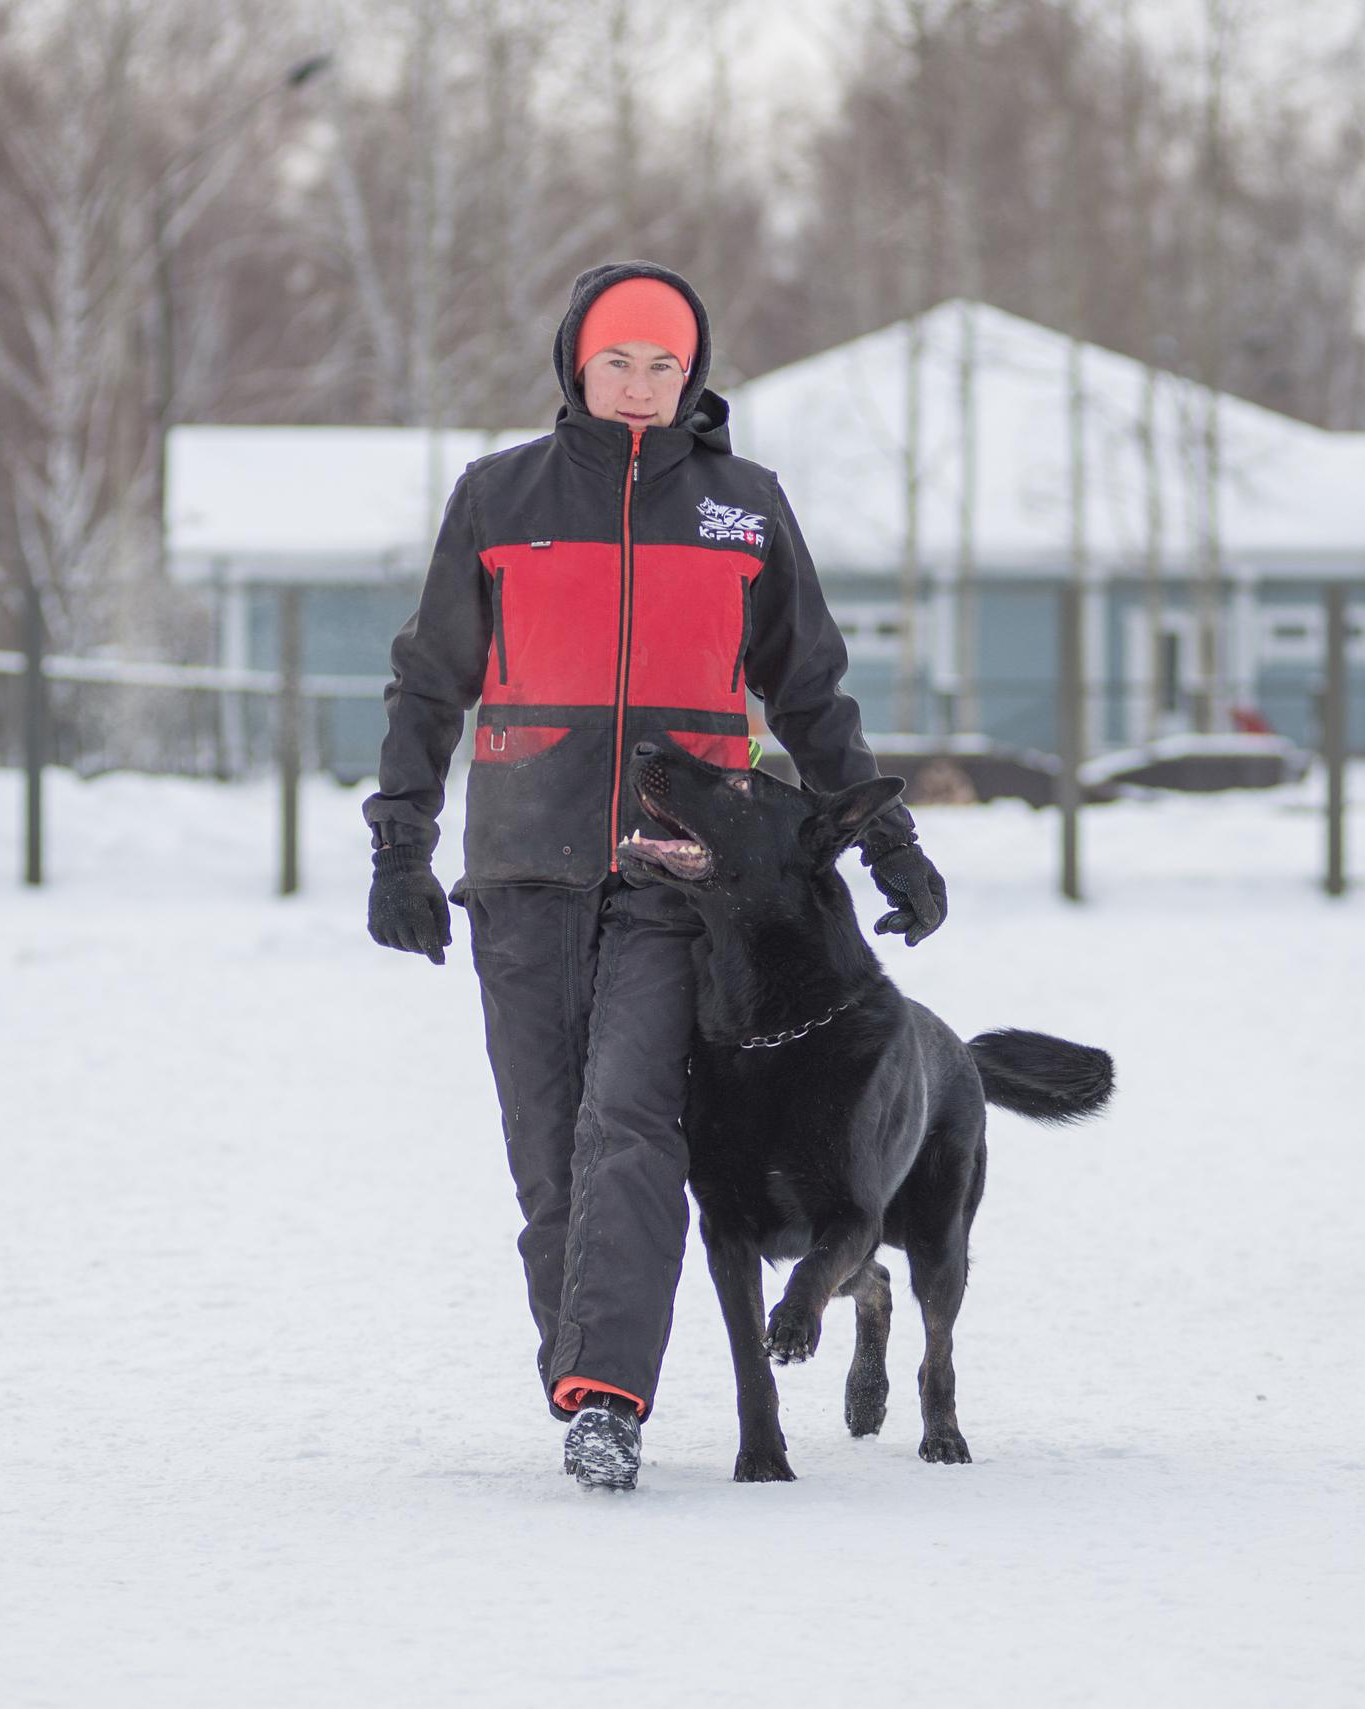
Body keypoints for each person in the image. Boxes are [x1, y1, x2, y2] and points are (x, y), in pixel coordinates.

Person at [361, 261, 948, 1487]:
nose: (640, 387)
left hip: (677, 881)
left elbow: (810, 691)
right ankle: (579, 1373)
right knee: (548, 1150)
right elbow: (430, 684)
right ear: (577, 363)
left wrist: (889, 840)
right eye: (619, 362)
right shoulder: (498, 498)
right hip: (522, 866)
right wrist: (399, 846)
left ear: (694, 375)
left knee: (633, 1126)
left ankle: (607, 1402)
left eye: (664, 366)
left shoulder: (743, 507)